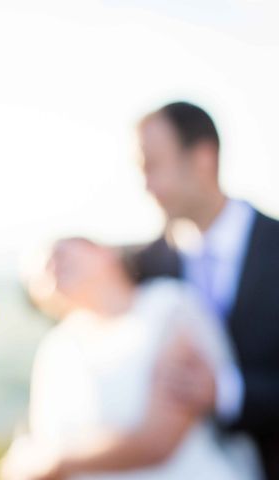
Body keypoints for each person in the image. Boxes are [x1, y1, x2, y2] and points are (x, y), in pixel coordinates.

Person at [0, 238, 259, 480]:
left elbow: (159, 441)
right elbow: (42, 441)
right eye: (34, 275)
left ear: (106, 251)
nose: (47, 266)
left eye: (58, 251)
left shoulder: (169, 306)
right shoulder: (55, 349)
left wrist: (56, 461)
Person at [131, 102, 279, 480]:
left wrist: (227, 393)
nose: (145, 186)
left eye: (152, 166)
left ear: (202, 159)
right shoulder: (146, 266)